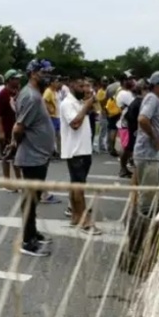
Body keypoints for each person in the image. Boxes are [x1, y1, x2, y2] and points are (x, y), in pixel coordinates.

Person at [13, 59, 57, 257]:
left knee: (35, 197)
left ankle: (32, 232)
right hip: (32, 156)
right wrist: (17, 143)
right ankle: (27, 241)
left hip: (38, 155)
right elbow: (18, 128)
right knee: (31, 198)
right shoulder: (31, 97)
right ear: (33, 74)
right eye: (44, 72)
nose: (48, 76)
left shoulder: (34, 95)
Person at [60, 75, 101, 235]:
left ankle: (76, 217)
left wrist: (90, 103)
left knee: (75, 184)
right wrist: (87, 105)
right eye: (81, 86)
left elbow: (96, 110)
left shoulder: (79, 102)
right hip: (75, 151)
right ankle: (85, 222)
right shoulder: (67, 103)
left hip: (83, 149)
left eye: (86, 86)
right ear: (71, 85)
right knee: (79, 186)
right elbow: (75, 124)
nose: (85, 89)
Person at [134, 71, 159, 216]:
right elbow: (143, 119)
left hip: (152, 154)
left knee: (150, 192)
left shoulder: (156, 99)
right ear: (157, 86)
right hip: (148, 153)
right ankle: (142, 230)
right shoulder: (152, 99)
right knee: (147, 197)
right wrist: (155, 137)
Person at [0, 69, 23, 186]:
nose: (18, 80)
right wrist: (1, 131)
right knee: (6, 156)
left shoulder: (19, 92)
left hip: (18, 129)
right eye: (16, 78)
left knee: (18, 156)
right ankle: (7, 181)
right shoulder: (2, 94)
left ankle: (19, 180)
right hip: (7, 129)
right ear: (10, 80)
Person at [116, 77, 136, 178]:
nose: (132, 81)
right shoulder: (123, 93)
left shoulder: (129, 93)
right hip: (126, 123)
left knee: (128, 147)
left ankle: (124, 168)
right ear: (123, 81)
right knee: (126, 147)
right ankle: (123, 168)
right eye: (129, 80)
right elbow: (133, 105)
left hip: (130, 122)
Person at [43, 80, 61, 158]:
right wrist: (49, 109)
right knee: (52, 136)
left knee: (59, 136)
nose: (57, 84)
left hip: (57, 116)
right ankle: (51, 152)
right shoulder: (48, 91)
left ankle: (58, 152)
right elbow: (44, 100)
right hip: (52, 117)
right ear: (51, 83)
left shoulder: (55, 92)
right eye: (56, 82)